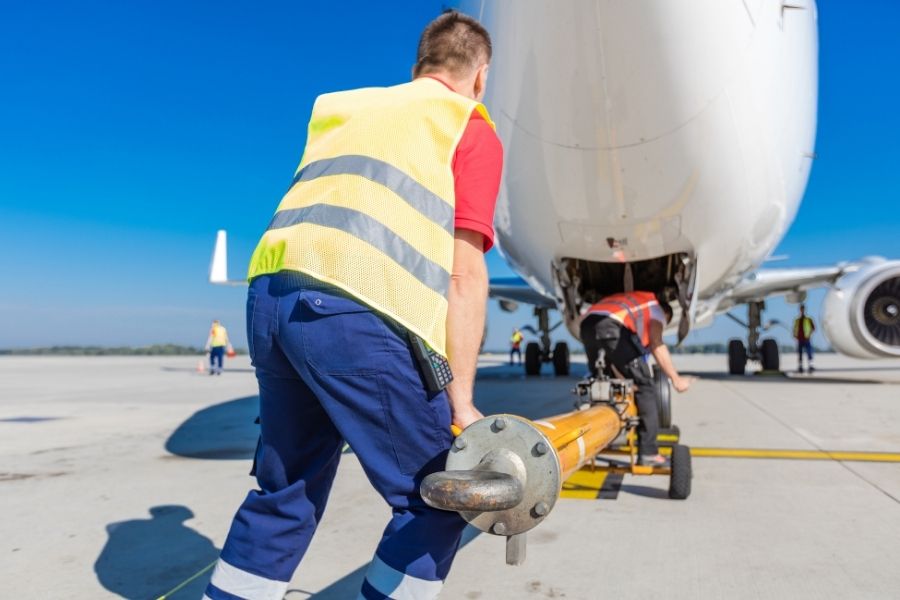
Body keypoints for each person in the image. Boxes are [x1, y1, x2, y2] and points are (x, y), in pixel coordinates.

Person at [204, 11, 502, 600]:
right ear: (481, 76)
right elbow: (464, 273)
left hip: (270, 298)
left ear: (417, 65)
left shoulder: (346, 108)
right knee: (441, 498)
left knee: (285, 492)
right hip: (352, 312)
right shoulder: (466, 123)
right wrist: (462, 402)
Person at [579, 292, 694, 466]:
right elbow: (656, 343)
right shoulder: (655, 309)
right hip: (611, 327)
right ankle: (649, 452)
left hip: (587, 325)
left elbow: (617, 358)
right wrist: (676, 379)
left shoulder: (627, 302)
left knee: (602, 382)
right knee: (646, 387)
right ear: (666, 314)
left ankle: (594, 436)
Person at [793, 304, 816, 373]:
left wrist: (809, 335)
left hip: (806, 339)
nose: (802, 310)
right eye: (801, 309)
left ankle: (810, 365)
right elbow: (795, 328)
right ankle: (800, 366)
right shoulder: (797, 319)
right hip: (800, 339)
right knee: (800, 353)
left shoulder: (808, 319)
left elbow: (813, 328)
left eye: (802, 309)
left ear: (804, 309)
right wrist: (795, 335)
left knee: (809, 352)